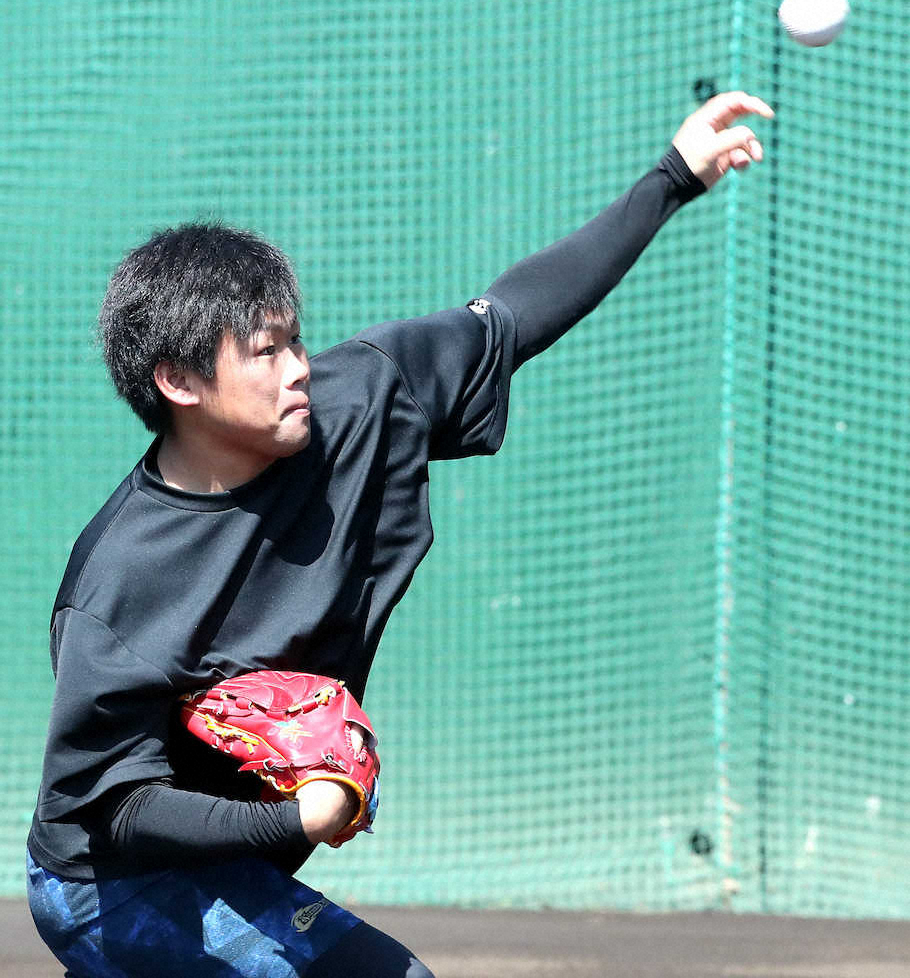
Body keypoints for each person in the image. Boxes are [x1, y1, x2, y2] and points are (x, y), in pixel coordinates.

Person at [26, 91, 773, 977]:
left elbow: (512, 320)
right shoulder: (117, 582)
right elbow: (120, 807)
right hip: (111, 886)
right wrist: (294, 818)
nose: (298, 368)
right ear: (179, 383)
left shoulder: (359, 399)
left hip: (237, 856)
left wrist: (674, 177)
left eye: (296, 341)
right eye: (265, 352)